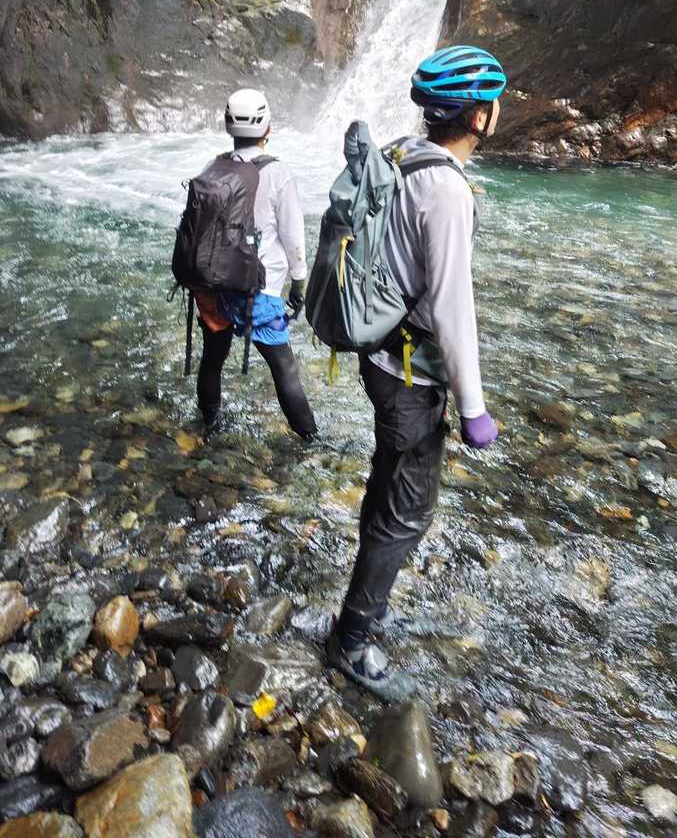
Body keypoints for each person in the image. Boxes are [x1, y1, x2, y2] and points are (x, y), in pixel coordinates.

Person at [327, 45, 505, 698]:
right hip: (410, 372)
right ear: (478, 117)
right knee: (408, 512)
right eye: (494, 102)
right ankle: (351, 638)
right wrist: (474, 408)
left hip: (379, 351)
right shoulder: (448, 190)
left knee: (390, 484)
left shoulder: (402, 152)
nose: (498, 110)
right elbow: (453, 306)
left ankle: (363, 605)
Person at [195, 87, 318, 442]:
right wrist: (299, 283)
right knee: (284, 368)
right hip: (258, 291)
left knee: (212, 358)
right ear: (268, 128)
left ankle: (209, 427)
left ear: (228, 126)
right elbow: (293, 237)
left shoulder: (213, 167)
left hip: (213, 285)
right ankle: (310, 440)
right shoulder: (278, 174)